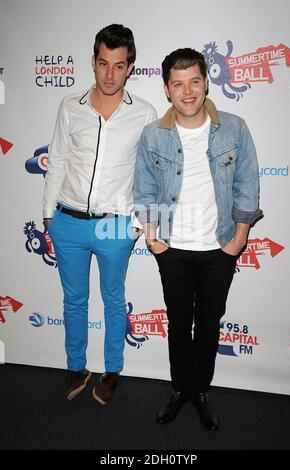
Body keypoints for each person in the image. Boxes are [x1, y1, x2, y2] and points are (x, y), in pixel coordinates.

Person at [134, 48, 262, 430]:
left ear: (206, 83)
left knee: (208, 325)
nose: (187, 91)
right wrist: (154, 240)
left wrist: (237, 240)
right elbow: (143, 191)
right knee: (177, 323)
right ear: (166, 89)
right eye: (178, 83)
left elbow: (247, 186)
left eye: (194, 81)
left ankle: (201, 391)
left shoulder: (235, 128)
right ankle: (179, 390)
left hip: (218, 248)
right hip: (172, 248)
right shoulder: (152, 135)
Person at [43, 24, 157, 405]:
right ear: (93, 62)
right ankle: (76, 367)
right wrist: (47, 217)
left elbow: (152, 173)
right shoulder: (68, 107)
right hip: (68, 221)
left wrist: (138, 224)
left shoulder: (143, 113)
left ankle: (112, 371)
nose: (110, 74)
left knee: (112, 299)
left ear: (131, 67)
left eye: (119, 65)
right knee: (73, 300)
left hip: (115, 226)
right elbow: (56, 161)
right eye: (104, 63)